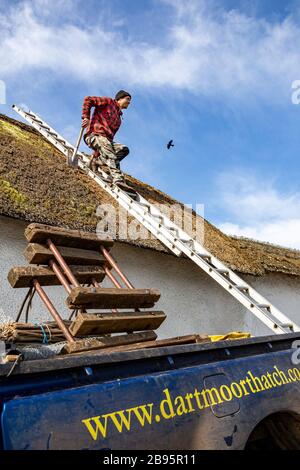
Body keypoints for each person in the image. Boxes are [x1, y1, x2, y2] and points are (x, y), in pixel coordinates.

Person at [81, 90, 131, 186]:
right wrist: (86, 117)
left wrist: (95, 155)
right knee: (108, 148)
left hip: (105, 142)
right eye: (127, 99)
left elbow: (109, 139)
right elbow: (88, 99)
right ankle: (118, 179)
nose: (129, 102)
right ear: (119, 99)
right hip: (94, 135)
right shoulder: (108, 102)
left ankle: (97, 161)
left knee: (124, 149)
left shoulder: (119, 120)